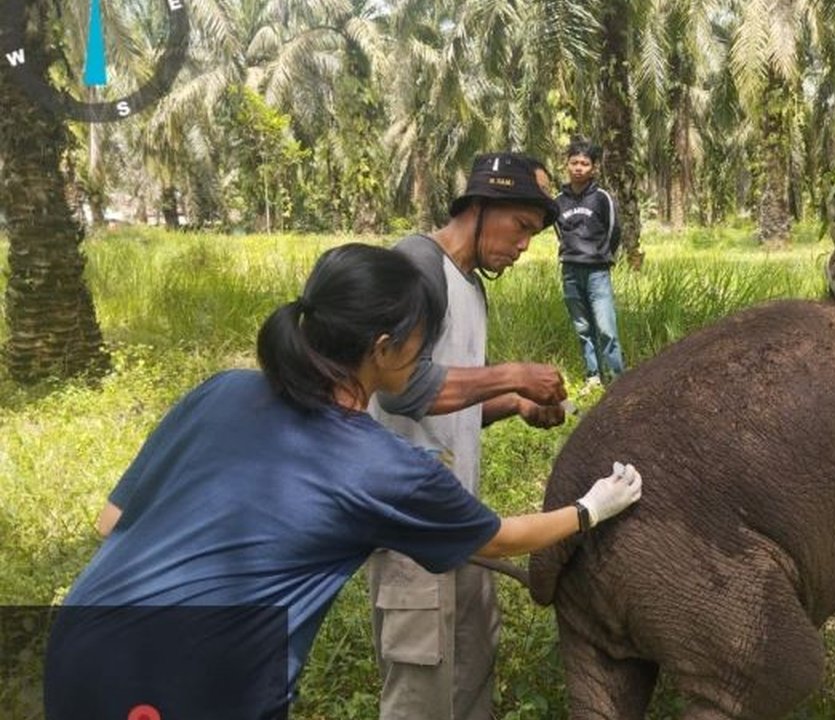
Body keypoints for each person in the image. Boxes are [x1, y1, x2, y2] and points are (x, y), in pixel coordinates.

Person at [47, 243, 642, 719]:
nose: (425, 355)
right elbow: (502, 538)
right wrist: (594, 507)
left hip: (79, 640)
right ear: (385, 349)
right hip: (194, 680)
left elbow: (112, 522)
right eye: (422, 341)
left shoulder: (221, 390)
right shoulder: (382, 466)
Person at [366, 152, 568, 720]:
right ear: (479, 207)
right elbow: (399, 390)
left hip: (459, 516)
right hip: (409, 527)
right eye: (521, 227)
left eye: (533, 234)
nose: (525, 245)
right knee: (419, 690)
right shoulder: (415, 264)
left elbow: (446, 406)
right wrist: (513, 374)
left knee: (473, 668)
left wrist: (515, 404)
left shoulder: (471, 288)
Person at [554, 139, 625, 386]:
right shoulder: (558, 201)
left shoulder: (602, 198)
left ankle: (617, 380)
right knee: (583, 328)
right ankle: (593, 376)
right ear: (567, 164)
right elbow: (559, 232)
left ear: (593, 168)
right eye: (574, 162)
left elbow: (614, 230)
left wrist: (601, 255)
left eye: (585, 163)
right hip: (570, 271)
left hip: (597, 272)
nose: (578, 168)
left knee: (606, 328)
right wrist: (571, 254)